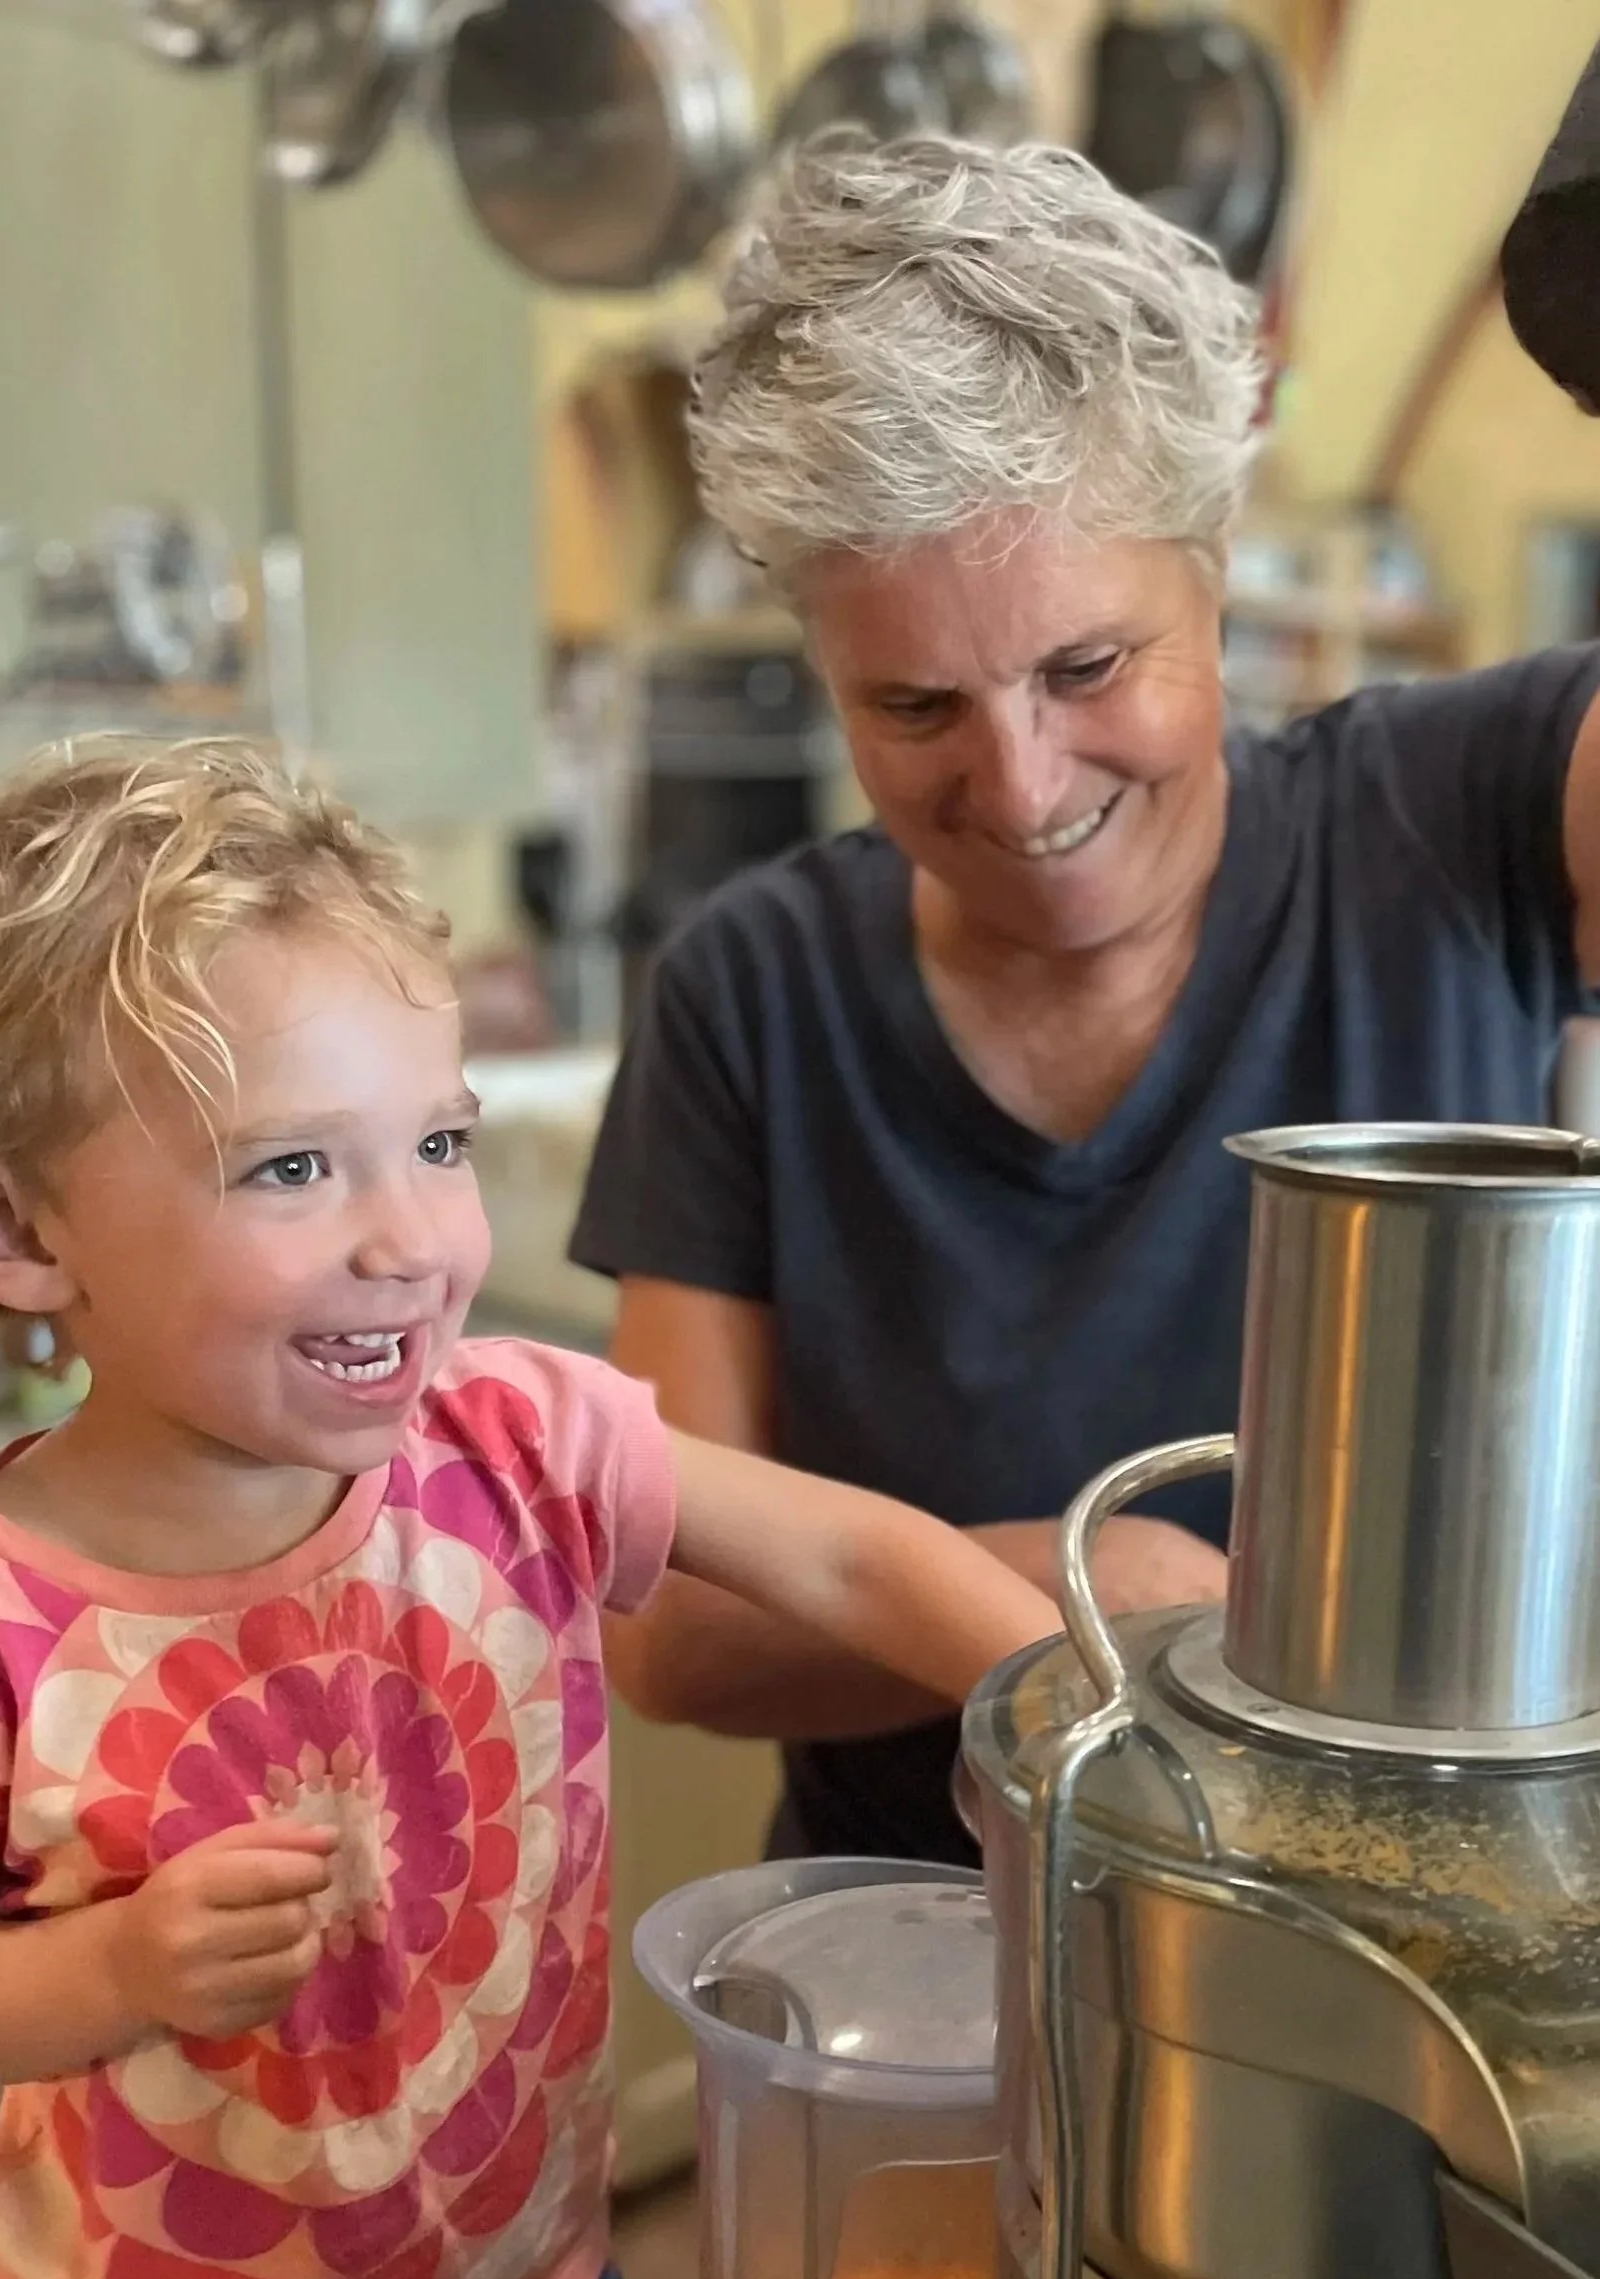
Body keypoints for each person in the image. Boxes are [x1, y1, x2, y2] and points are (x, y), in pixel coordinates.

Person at [0, 742, 1056, 2279]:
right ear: (12, 1227)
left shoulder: (518, 1437)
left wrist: (1080, 1713)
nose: (413, 1239)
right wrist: (113, 1970)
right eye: (293, 1171)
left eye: (438, 1140)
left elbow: (844, 1561)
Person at [571, 134, 1600, 1867]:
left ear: (1210, 558)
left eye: (1085, 668)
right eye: (911, 709)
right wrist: (1076, 1579)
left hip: (1412, 1946)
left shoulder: (1468, 810)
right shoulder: (750, 991)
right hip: (911, 1966)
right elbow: (673, 1630)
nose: (1022, 783)